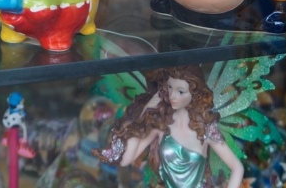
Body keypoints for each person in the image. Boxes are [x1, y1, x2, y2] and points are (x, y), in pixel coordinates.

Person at [95, 66, 243, 188]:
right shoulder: (161, 125)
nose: (172, 96)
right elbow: (126, 160)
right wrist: (147, 109)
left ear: (194, 93)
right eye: (170, 87)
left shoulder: (205, 129)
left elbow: (237, 168)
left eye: (180, 91)